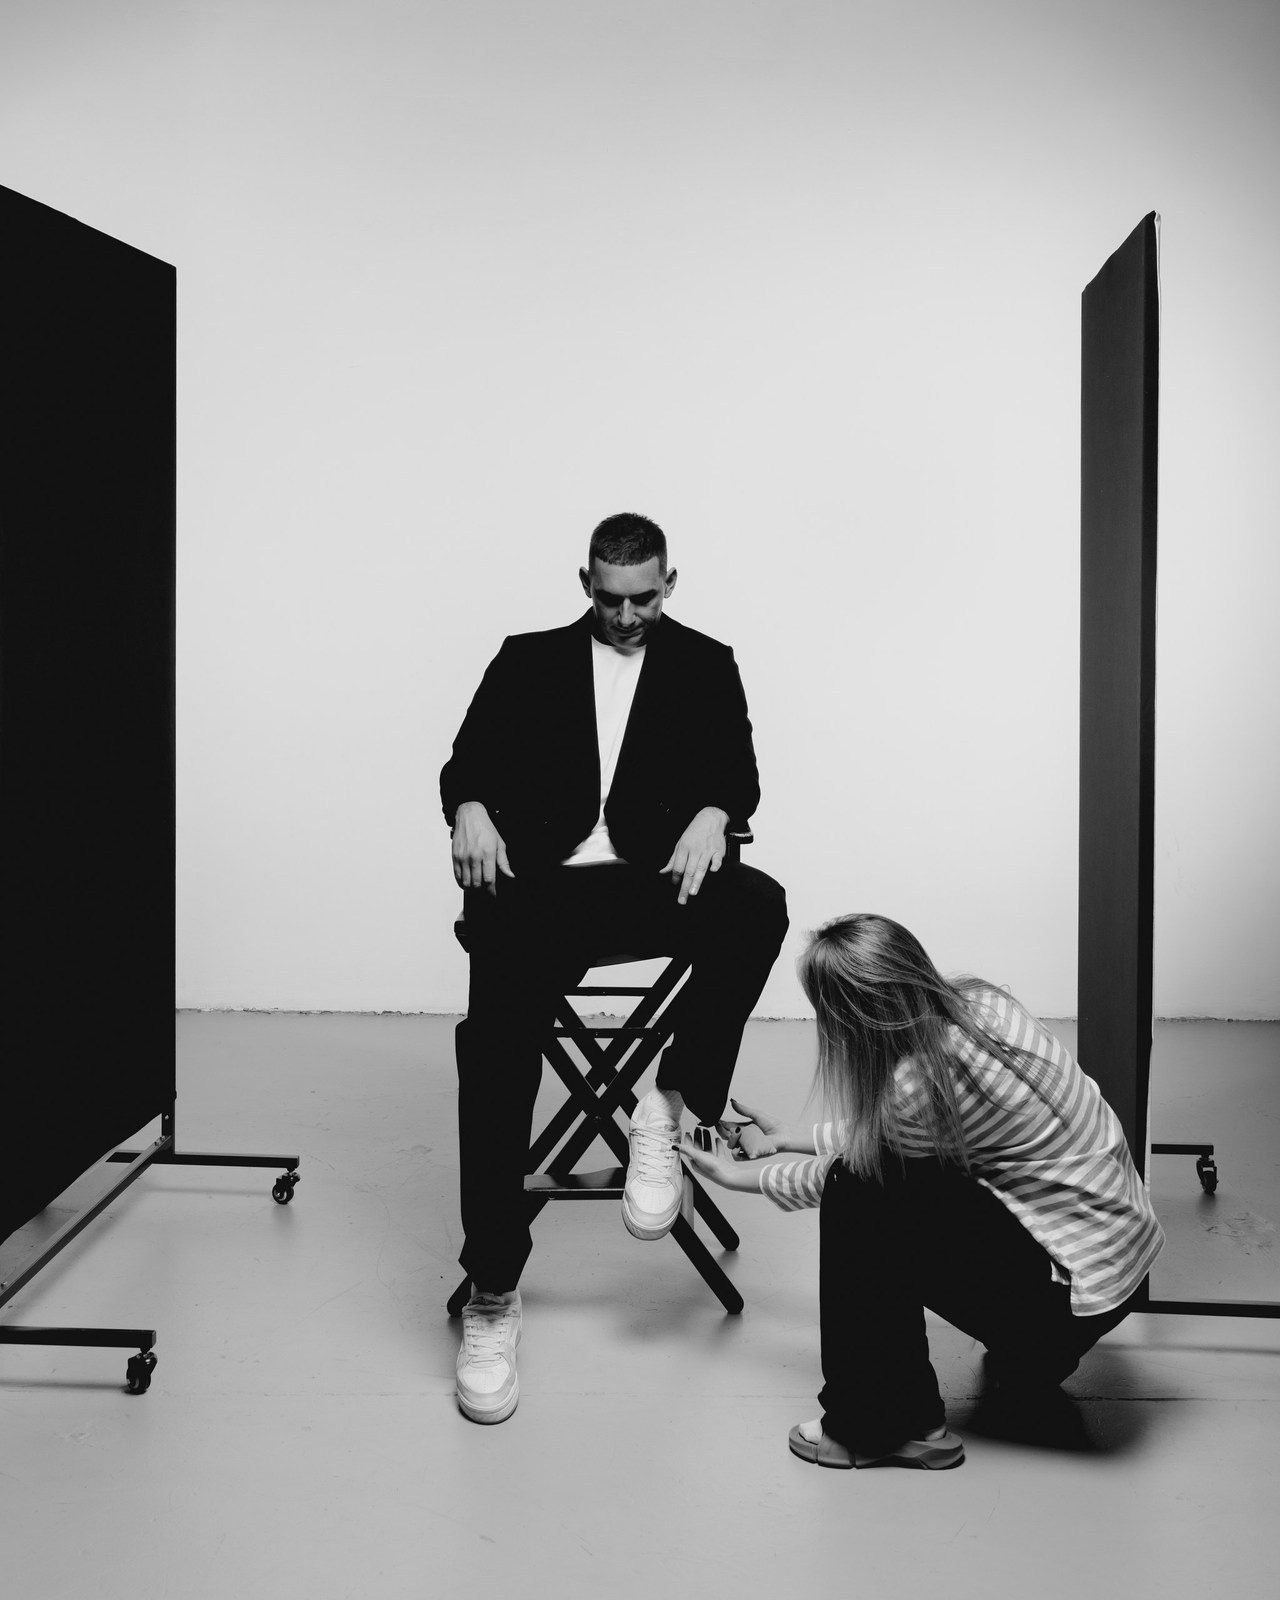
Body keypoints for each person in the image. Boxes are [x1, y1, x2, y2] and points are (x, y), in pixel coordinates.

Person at [440, 512, 788, 1424]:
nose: (627, 616)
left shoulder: (706, 663)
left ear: (670, 583)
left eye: (643, 599)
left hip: (652, 882)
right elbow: (463, 764)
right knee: (495, 1049)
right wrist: (469, 807)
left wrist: (715, 812)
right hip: (537, 889)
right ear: (584, 584)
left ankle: (667, 1105)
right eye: (609, 599)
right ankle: (493, 1293)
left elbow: (741, 776)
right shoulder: (527, 659)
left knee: (758, 903)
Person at [682, 912, 1164, 1470]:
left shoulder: (916, 1088)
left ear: (848, 1018)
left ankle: (884, 1425)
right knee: (896, 1180)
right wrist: (791, 1137)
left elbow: (860, 1170)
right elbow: (903, 1135)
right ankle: (1032, 1359)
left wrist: (735, 1177)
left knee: (857, 1195)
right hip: (1116, 1270)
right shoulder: (983, 1005)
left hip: (1066, 1303)